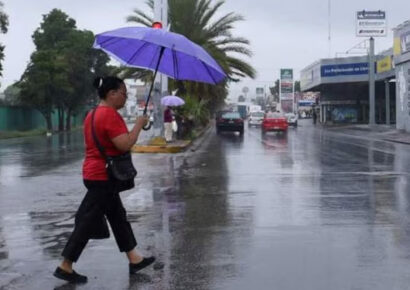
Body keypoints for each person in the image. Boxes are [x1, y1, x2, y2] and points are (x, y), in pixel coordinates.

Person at [53, 76, 155, 284]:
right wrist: (138, 125)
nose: (125, 98)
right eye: (124, 93)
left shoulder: (92, 114)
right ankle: (65, 265)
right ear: (111, 94)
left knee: (118, 216)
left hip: (94, 173)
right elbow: (124, 144)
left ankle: (134, 258)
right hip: (103, 177)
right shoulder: (109, 115)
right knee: (87, 222)